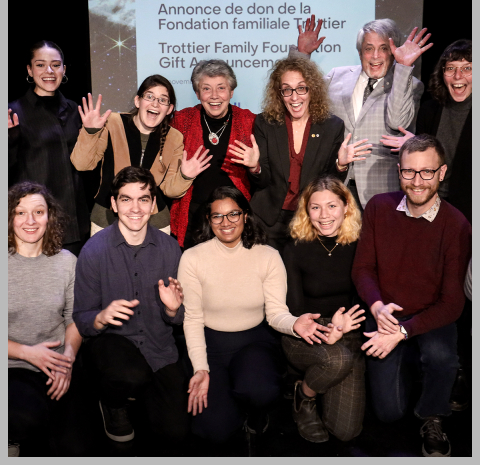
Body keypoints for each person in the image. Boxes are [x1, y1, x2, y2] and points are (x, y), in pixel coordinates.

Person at [178, 186, 333, 447]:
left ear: (246, 216)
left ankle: (255, 410)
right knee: (213, 430)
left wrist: (294, 324)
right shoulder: (192, 258)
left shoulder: (268, 256)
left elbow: (275, 314)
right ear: (208, 219)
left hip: (253, 342)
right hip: (210, 345)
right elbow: (192, 319)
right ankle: (231, 406)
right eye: (217, 216)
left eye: (233, 214)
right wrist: (201, 368)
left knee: (258, 390)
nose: (225, 222)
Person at [351, 135, 471, 457]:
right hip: (386, 315)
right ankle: (410, 364)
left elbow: (452, 303)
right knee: (388, 413)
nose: (417, 182)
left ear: (441, 173)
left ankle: (433, 415)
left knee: (441, 358)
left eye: (426, 172)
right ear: (399, 171)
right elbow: (362, 269)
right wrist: (377, 308)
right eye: (409, 172)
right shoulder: (378, 207)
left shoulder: (457, 225)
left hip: (431, 316)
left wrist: (403, 333)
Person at [72, 166, 189, 452]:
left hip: (158, 347)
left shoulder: (171, 249)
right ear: (113, 204)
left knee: (177, 434)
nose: (135, 208)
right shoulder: (93, 250)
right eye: (126, 199)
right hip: (113, 344)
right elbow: (82, 319)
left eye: (143, 199)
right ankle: (112, 403)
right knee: (129, 376)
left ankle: (140, 396)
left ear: (152, 204)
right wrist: (100, 317)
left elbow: (182, 318)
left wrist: (173, 310)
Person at [291, 16, 432, 210]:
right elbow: (297, 98)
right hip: (336, 186)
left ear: (393, 52)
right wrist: (302, 55)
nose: (375, 56)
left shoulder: (409, 84)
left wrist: (404, 67)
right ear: (359, 52)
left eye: (383, 48)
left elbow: (397, 120)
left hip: (381, 190)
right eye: (368, 48)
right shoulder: (336, 76)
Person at [237, 55, 371, 253]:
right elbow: (262, 181)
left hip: (309, 219)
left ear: (312, 90)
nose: (294, 97)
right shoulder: (265, 123)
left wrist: (341, 165)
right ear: (279, 93)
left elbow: (329, 184)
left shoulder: (332, 126)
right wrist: (254, 167)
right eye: (287, 90)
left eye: (301, 88)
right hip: (268, 219)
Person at [71, 74, 211, 236]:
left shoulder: (174, 137)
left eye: (162, 100)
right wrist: (90, 132)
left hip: (154, 223)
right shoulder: (113, 122)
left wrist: (185, 176)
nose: (155, 104)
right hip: (107, 219)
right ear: (138, 101)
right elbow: (81, 164)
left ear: (169, 109)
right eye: (149, 97)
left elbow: (170, 190)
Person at [282, 176, 365, 444]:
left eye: (332, 206)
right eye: (315, 207)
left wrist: (343, 328)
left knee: (345, 431)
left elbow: (366, 296)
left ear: (346, 208)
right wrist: (327, 329)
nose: (324, 215)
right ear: (306, 211)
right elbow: (295, 310)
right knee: (337, 360)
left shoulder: (360, 244)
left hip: (349, 332)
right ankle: (304, 395)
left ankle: (319, 382)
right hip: (305, 331)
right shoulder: (295, 247)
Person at [8, 181, 90, 456]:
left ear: (49, 217)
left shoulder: (66, 261)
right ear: (9, 218)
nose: (30, 221)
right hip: (11, 364)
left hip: (57, 363)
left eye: (39, 212)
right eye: (20, 213)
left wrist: (67, 359)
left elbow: (74, 318)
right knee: (26, 421)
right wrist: (27, 353)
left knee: (74, 449)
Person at [8, 40, 90, 256]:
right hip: (33, 224)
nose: (49, 71)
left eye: (55, 65)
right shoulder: (13, 112)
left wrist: (93, 132)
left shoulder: (75, 109)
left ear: (64, 69)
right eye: (40, 64)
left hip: (73, 222)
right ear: (29, 69)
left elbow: (87, 164)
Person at [381, 39, 472, 223]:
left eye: (467, 68)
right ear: (442, 73)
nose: (457, 76)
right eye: (450, 68)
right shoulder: (430, 109)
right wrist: (418, 147)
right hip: (431, 205)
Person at [169, 60, 256, 249]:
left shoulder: (250, 122)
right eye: (206, 89)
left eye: (221, 88)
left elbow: (264, 178)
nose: (214, 96)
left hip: (235, 220)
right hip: (193, 217)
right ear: (197, 94)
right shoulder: (180, 121)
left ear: (231, 92)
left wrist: (255, 167)